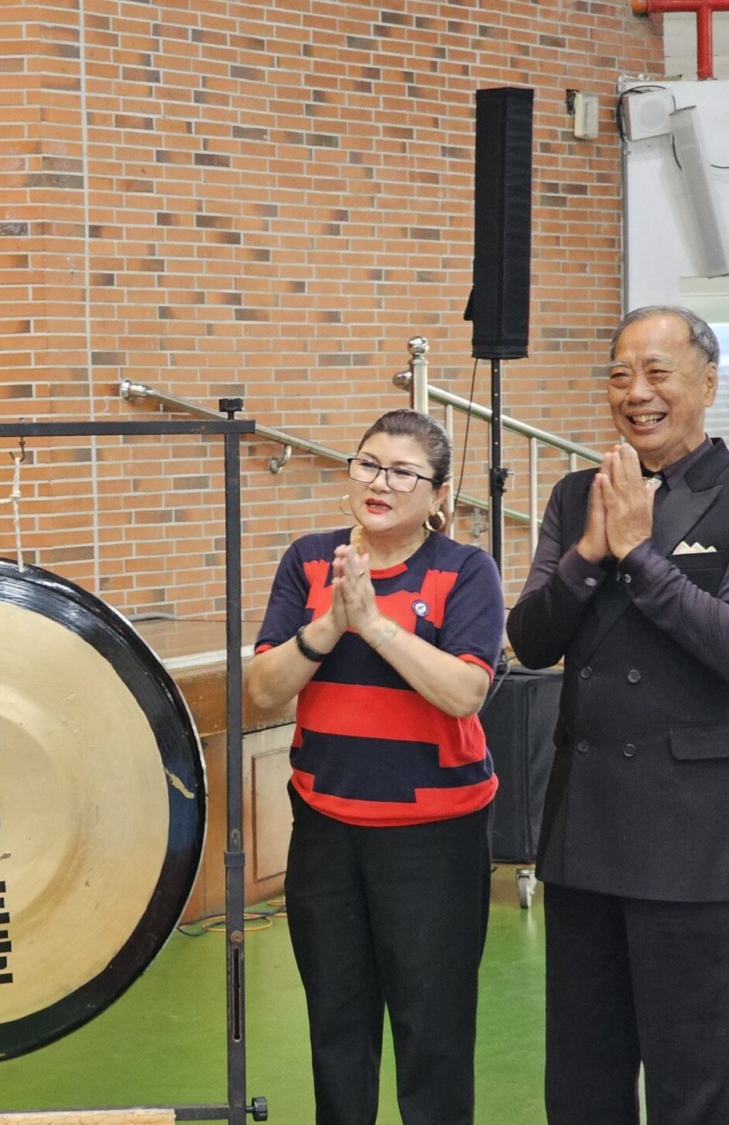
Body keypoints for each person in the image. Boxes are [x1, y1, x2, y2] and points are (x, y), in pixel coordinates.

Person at [507, 305, 729, 1125]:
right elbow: (531, 640)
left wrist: (642, 556)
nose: (635, 393)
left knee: (695, 1077)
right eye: (619, 374)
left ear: (708, 383)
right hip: (585, 832)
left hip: (697, 840)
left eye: (657, 372)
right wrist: (589, 553)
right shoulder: (579, 492)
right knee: (583, 1078)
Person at [245, 408, 505, 1125]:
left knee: (433, 1029)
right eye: (366, 463)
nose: (379, 482)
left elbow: (465, 689)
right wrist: (330, 623)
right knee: (336, 1021)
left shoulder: (465, 569)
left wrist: (376, 625)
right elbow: (263, 688)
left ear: (438, 494)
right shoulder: (309, 559)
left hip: (435, 835)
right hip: (326, 826)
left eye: (401, 471)